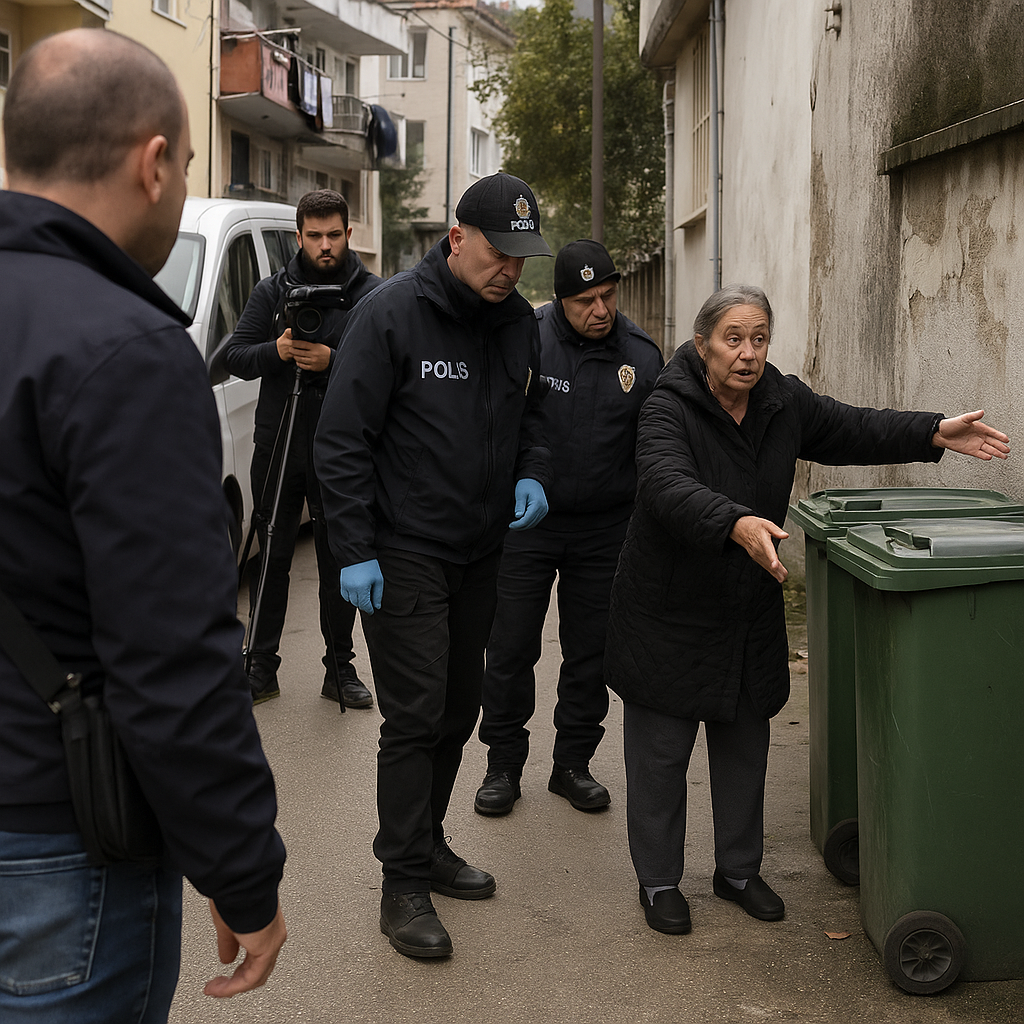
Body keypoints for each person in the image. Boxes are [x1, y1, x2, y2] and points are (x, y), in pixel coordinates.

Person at [0, 29, 287, 1021]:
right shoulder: (127, 348)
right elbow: (170, 657)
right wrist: (241, 870)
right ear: (154, 161)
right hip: (54, 850)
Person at [604, 285, 1010, 937]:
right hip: (667, 613)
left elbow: (851, 427)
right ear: (704, 341)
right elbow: (663, 484)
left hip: (744, 612)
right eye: (733, 338)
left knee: (744, 749)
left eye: (759, 338)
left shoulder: (779, 401)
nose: (747, 353)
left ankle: (738, 872)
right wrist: (734, 521)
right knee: (660, 759)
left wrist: (934, 430)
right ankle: (658, 882)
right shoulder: (666, 406)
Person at [313, 172, 552, 959]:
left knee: (457, 709)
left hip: (480, 549)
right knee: (415, 715)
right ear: (457, 240)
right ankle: (402, 882)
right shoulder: (392, 314)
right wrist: (352, 551)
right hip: (404, 549)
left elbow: (537, 416)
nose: (511, 270)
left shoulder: (519, 323)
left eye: (522, 257)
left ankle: (428, 841)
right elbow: (341, 439)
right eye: (498, 252)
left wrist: (533, 471)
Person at [474, 240, 663, 817]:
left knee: (590, 653)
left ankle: (571, 764)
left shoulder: (642, 356)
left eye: (608, 295)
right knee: (509, 649)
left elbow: (656, 446)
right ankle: (502, 764)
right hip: (529, 524)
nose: (600, 310)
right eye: (585, 300)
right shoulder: (525, 338)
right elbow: (497, 422)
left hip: (605, 530)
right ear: (559, 300)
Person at [224, 189, 381, 708]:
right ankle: (260, 667)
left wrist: (334, 360)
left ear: (348, 233)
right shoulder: (274, 292)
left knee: (341, 558)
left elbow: (391, 369)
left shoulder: (369, 295)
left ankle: (340, 669)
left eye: (334, 234)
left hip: (343, 449)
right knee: (273, 555)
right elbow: (237, 356)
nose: (325, 245)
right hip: (280, 440)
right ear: (298, 236)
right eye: (314, 236)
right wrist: (280, 350)